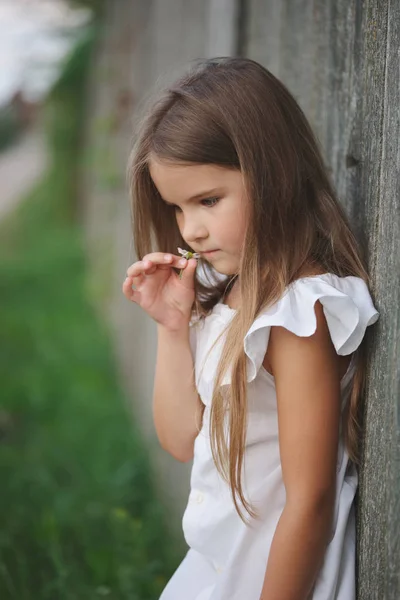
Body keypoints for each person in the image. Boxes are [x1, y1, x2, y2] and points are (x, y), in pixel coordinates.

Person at [122, 57, 380, 600]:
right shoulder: (227, 294)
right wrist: (173, 327)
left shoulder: (298, 315)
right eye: (177, 208)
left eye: (208, 201)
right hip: (214, 565)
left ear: (272, 173)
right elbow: (179, 441)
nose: (190, 229)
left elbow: (310, 505)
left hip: (271, 576)